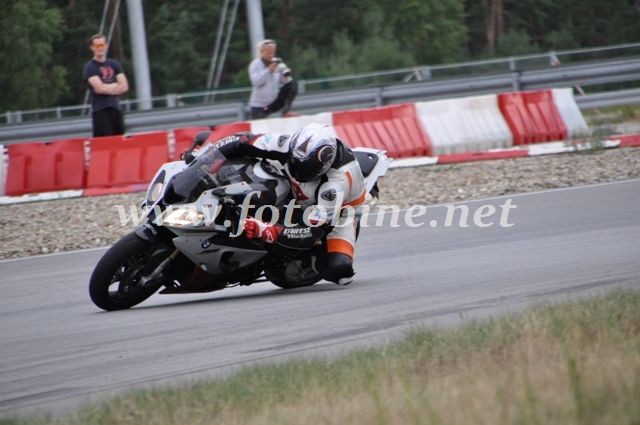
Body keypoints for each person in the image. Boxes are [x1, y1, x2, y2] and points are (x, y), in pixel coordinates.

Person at [218, 123, 366, 285]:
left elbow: (312, 231)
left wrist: (270, 231)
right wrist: (206, 156)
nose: (298, 170)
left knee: (338, 270)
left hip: (339, 214)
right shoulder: (287, 145)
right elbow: (242, 141)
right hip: (297, 194)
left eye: (307, 167)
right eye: (295, 162)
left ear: (324, 165)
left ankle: (309, 257)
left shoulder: (335, 186)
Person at [82, 33, 129, 137]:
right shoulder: (90, 67)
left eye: (102, 45)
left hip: (116, 108)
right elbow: (99, 88)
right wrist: (115, 85)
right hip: (100, 111)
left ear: (106, 45)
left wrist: (107, 87)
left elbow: (125, 86)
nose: (100, 48)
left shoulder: (114, 64)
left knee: (119, 140)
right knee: (104, 142)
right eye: (97, 46)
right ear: (92, 48)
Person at [247, 39, 288, 120]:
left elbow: (284, 81)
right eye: (268, 53)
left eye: (273, 52)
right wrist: (268, 71)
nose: (271, 55)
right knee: (260, 127)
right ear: (262, 52)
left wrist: (285, 72)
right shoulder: (255, 64)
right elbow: (256, 82)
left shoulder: (277, 62)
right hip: (259, 106)